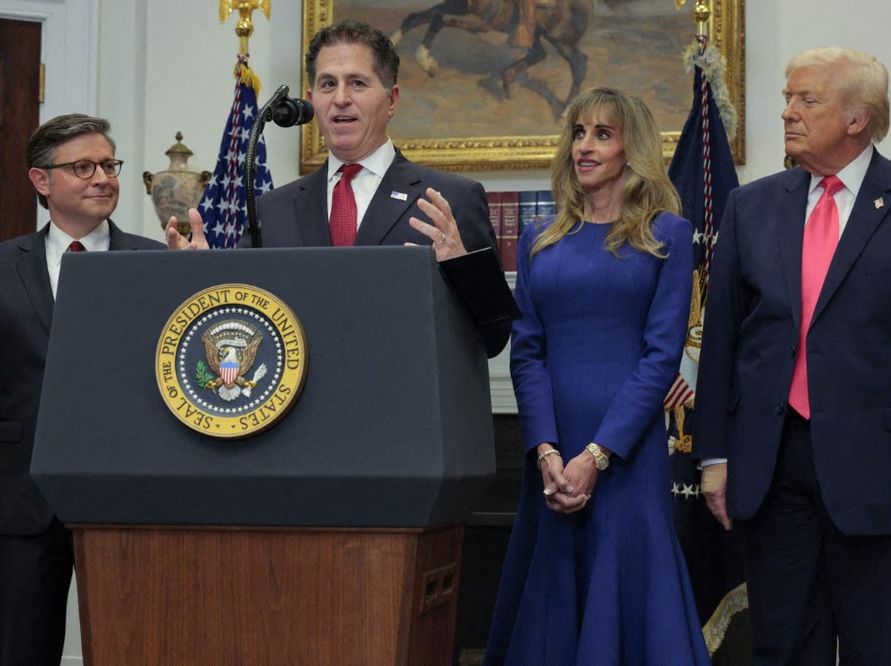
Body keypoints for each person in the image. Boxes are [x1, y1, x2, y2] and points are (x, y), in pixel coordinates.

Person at [694, 47, 891, 664]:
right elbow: (721, 341)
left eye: (808, 100)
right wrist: (715, 455)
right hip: (771, 472)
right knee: (781, 648)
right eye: (787, 98)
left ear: (858, 118)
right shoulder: (753, 207)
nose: (787, 112)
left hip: (884, 477)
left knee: (877, 651)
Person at [485, 87, 710, 665]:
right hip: (552, 457)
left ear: (632, 149)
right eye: (578, 133)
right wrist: (546, 451)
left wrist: (596, 455)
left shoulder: (666, 235)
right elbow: (527, 352)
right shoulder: (539, 238)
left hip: (625, 454)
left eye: (602, 135)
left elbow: (661, 358)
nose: (584, 147)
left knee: (627, 591)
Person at [169, 19, 512, 354]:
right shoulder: (272, 211)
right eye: (328, 84)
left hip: (404, 391)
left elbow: (495, 337)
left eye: (357, 83)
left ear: (392, 100)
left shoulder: (451, 200)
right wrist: (202, 276)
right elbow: (243, 318)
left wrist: (462, 270)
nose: (341, 98)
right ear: (311, 99)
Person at [0, 114, 163, 665]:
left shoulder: (157, 263)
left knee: (135, 647)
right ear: (41, 180)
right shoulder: (3, 266)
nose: (103, 178)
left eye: (109, 165)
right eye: (83, 167)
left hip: (128, 490)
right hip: (21, 494)